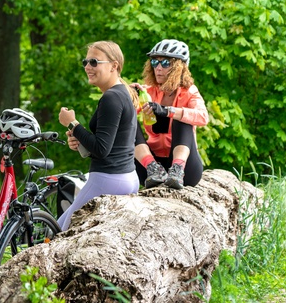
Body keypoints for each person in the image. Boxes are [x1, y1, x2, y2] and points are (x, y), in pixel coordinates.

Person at [57, 41, 140, 231]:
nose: (87, 67)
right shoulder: (121, 93)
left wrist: (72, 123)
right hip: (126, 178)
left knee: (59, 233)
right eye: (86, 62)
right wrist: (79, 139)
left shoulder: (111, 97)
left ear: (114, 66)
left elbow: (102, 149)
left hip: (108, 179)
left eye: (94, 62)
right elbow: (112, 142)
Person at [134, 39, 209, 190]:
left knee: (182, 118)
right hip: (149, 170)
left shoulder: (190, 92)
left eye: (165, 63)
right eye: (155, 62)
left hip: (187, 170)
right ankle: (152, 167)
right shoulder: (148, 92)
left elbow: (203, 117)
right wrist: (128, 96)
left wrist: (168, 111)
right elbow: (119, 117)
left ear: (178, 67)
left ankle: (176, 171)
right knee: (127, 120)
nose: (158, 68)